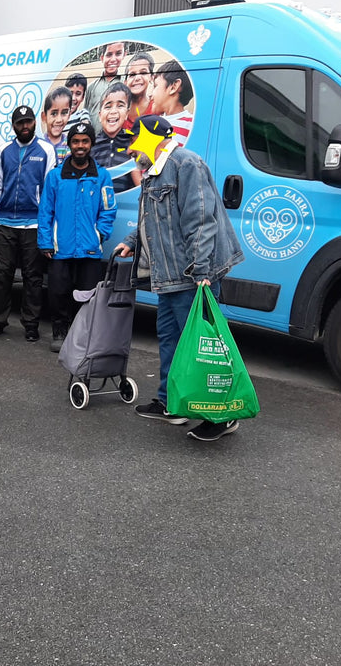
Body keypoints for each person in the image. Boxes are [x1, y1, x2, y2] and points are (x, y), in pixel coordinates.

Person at [114, 115, 244, 442]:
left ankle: (222, 416)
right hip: (169, 275)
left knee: (203, 347)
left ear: (150, 136)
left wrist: (201, 271)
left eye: (132, 140)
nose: (129, 149)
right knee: (171, 339)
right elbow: (154, 220)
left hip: (192, 276)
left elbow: (201, 220)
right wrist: (131, 243)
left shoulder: (186, 164)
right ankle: (173, 402)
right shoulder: (154, 171)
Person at [38, 121, 117, 353]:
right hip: (60, 247)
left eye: (84, 141)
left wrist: (100, 235)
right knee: (58, 292)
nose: (80, 146)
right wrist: (45, 241)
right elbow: (46, 211)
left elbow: (108, 210)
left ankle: (82, 334)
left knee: (87, 295)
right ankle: (60, 332)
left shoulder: (102, 177)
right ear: (69, 144)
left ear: (91, 144)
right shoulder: (55, 177)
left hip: (89, 249)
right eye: (75, 141)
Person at [0, 105, 56, 343]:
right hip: (5, 223)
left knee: (32, 277)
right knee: (1, 274)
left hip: (33, 224)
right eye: (20, 123)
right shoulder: (4, 150)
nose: (24, 126)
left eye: (28, 122)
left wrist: (45, 222)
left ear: (35, 123)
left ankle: (31, 325)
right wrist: (0, 206)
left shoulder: (46, 150)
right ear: (13, 125)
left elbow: (48, 190)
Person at [90, 82, 140, 190]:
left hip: (128, 205)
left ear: (127, 114)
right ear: (99, 115)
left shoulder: (134, 143)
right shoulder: (91, 145)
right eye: (108, 106)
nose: (113, 111)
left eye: (120, 105)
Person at [148, 59, 194, 145]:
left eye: (155, 86)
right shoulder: (152, 124)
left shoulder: (192, 125)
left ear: (174, 87)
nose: (150, 94)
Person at [85, 41, 127, 121]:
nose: (113, 59)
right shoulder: (91, 87)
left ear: (124, 55)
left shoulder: (126, 83)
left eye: (118, 53)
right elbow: (85, 114)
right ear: (102, 58)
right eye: (109, 54)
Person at [40, 86, 72, 165]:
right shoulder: (39, 145)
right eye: (54, 113)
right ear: (44, 117)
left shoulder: (70, 146)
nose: (59, 120)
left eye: (64, 113)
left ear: (69, 115)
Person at [123, 52, 155, 124]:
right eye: (132, 74)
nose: (137, 78)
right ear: (125, 82)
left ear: (152, 77)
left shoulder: (158, 108)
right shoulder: (120, 110)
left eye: (143, 73)